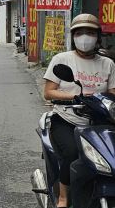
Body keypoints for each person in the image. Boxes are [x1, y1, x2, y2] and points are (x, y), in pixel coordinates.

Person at [43, 13, 115, 208]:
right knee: (73, 154)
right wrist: (74, 97)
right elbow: (48, 93)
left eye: (90, 32)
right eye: (80, 32)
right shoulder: (62, 59)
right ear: (73, 36)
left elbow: (112, 93)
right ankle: (64, 198)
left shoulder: (107, 63)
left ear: (98, 37)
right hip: (67, 119)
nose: (85, 37)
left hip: (99, 122)